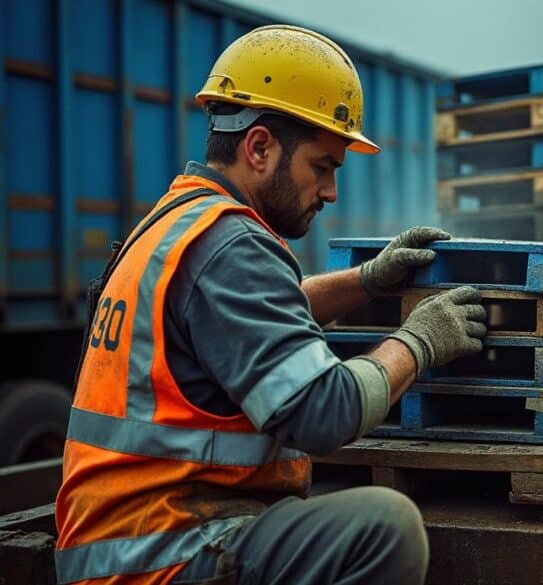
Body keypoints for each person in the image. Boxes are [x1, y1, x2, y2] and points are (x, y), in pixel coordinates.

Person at [53, 24, 487, 585]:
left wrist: (369, 280)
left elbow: (257, 320)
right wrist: (419, 342)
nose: (330, 192)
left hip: (122, 548)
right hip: (163, 556)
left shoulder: (177, 224)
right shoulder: (229, 246)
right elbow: (323, 411)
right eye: (322, 166)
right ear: (259, 147)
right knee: (386, 527)